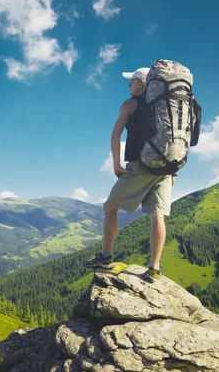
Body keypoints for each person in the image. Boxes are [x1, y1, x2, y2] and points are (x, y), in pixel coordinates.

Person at [83, 67, 175, 282]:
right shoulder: (166, 106)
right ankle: (154, 268)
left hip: (140, 165)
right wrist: (173, 170)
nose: (129, 85)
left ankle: (106, 257)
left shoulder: (130, 104)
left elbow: (115, 134)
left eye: (132, 81)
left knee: (110, 207)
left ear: (143, 84)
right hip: (166, 168)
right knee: (157, 216)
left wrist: (116, 163)